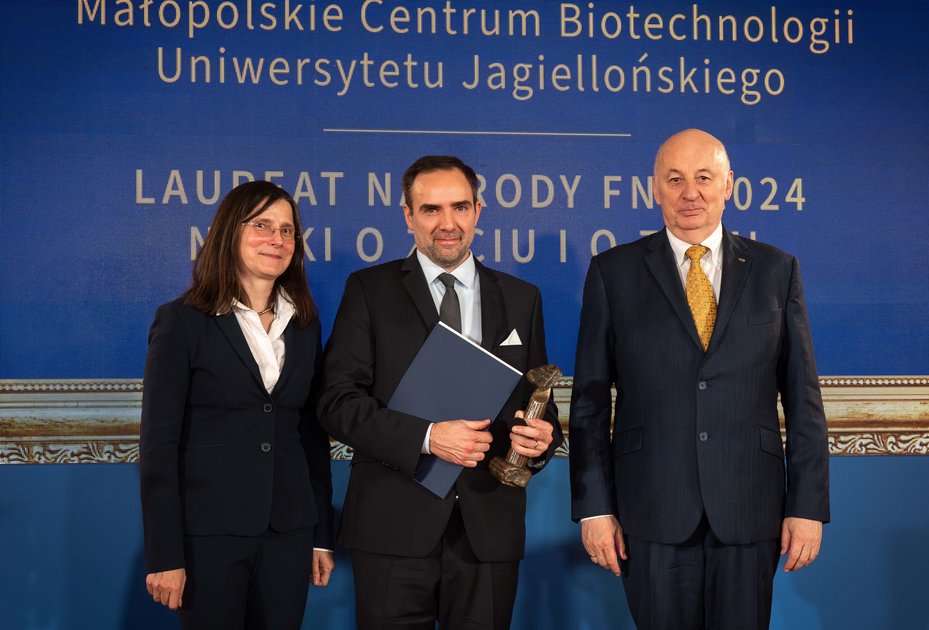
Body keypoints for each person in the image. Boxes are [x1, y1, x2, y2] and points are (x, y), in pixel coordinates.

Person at [569, 129, 830, 629]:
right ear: (655, 189)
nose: (691, 192)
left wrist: (808, 506)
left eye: (704, 178)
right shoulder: (613, 272)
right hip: (651, 511)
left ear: (729, 184)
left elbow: (803, 399)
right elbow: (589, 404)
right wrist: (594, 509)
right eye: (676, 179)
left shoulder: (777, 271)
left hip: (749, 511)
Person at [317, 155, 563, 629]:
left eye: (460, 207)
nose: (447, 224)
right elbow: (336, 403)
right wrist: (428, 438)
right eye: (430, 210)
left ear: (478, 211)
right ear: (407, 216)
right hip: (393, 526)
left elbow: (538, 402)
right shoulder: (369, 290)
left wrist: (539, 442)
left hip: (488, 529)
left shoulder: (520, 297)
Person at [139, 181, 335, 628]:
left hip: (289, 531)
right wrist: (165, 554)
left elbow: (310, 436)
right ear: (229, 232)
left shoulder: (304, 324)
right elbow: (158, 446)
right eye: (262, 225)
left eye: (288, 231)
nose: (277, 239)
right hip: (208, 536)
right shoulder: (183, 322)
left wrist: (321, 535)